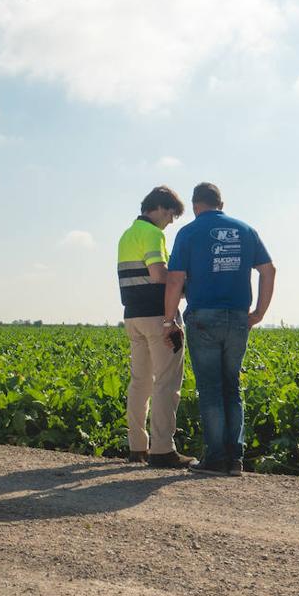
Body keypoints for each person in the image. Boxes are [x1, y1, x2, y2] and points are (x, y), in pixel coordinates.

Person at [163, 183, 276, 476]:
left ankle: (216, 458)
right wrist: (259, 312)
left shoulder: (188, 233)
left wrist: (168, 321)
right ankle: (235, 459)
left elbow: (175, 280)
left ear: (196, 205)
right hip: (239, 317)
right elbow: (268, 270)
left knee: (211, 389)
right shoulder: (245, 230)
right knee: (232, 387)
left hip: (203, 318)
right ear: (221, 203)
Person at [117, 186, 197, 468]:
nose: (171, 222)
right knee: (167, 382)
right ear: (161, 208)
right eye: (172, 215)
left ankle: (138, 447)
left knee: (140, 382)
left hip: (133, 317)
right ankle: (163, 449)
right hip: (157, 317)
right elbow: (159, 274)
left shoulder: (127, 235)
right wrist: (186, 286)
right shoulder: (153, 234)